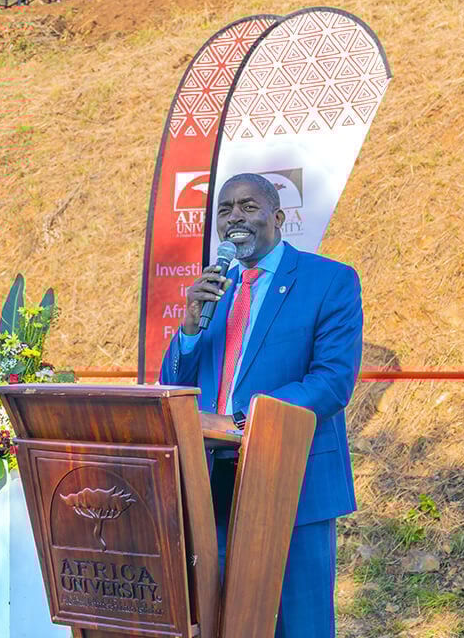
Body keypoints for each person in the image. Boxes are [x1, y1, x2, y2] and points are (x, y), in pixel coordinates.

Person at [159, 172, 361, 638]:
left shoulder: (328, 280)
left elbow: (331, 382)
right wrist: (189, 328)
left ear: (278, 217)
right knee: (224, 622)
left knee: (301, 625)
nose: (235, 218)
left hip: (291, 476)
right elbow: (173, 383)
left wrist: (242, 421)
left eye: (247, 207)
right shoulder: (215, 289)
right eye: (225, 210)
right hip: (212, 482)